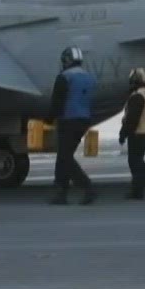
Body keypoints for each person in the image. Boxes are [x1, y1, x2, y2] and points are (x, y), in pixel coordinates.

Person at [49, 46, 97, 205]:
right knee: (64, 155)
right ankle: (60, 193)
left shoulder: (64, 77)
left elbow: (57, 102)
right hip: (84, 120)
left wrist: (49, 119)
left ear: (67, 60)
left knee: (64, 157)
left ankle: (86, 186)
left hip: (68, 120)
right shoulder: (88, 77)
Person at [118, 68, 145, 200]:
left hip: (138, 132)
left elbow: (132, 118)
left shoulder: (138, 96)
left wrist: (123, 133)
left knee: (134, 162)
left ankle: (144, 187)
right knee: (138, 160)